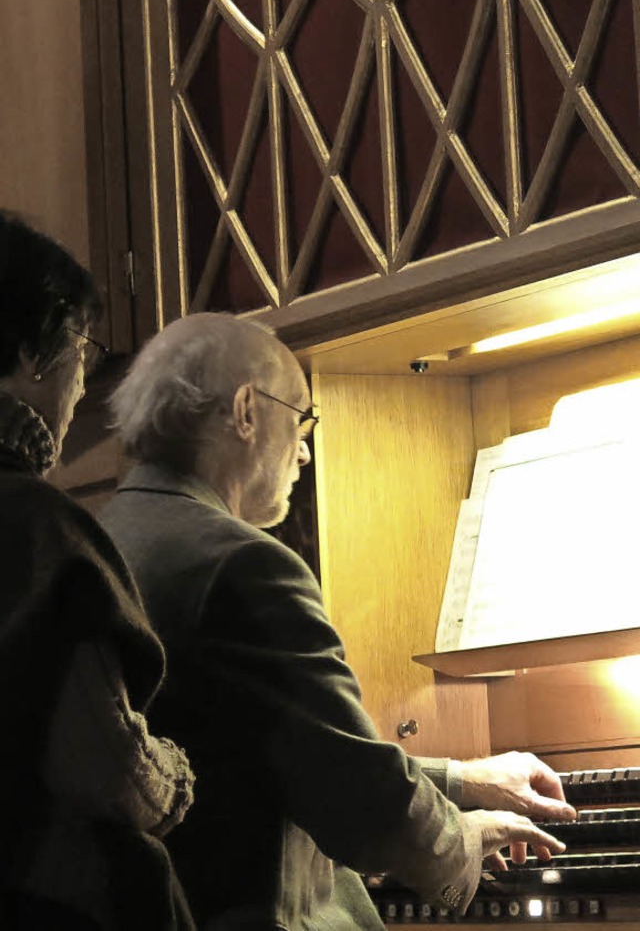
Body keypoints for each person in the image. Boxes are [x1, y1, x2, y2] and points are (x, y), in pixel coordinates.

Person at [101, 311, 575, 931]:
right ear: (247, 411)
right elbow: (363, 804)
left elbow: (263, 753)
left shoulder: (103, 534)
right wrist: (462, 837)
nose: (302, 449)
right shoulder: (242, 563)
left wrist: (463, 779)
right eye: (300, 419)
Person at [0, 210, 196, 930]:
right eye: (83, 344)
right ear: (31, 353)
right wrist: (175, 774)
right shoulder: (30, 523)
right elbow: (111, 770)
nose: (86, 381)